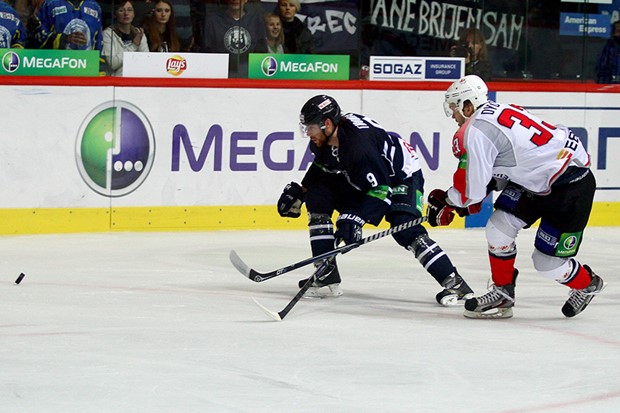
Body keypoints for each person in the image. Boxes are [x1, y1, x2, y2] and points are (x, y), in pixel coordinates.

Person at [429, 75, 606, 319]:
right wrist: (468, 198)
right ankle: (503, 294)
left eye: (455, 108)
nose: (453, 116)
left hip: (570, 185)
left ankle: (587, 284)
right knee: (498, 228)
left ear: (468, 105)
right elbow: (507, 165)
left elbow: (472, 191)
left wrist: (448, 201)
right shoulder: (501, 109)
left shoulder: (474, 130)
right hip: (538, 181)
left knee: (547, 264)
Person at [277, 95, 474, 304]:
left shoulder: (358, 146)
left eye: (311, 128)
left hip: (401, 176)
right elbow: (322, 167)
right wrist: (302, 190)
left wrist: (356, 218)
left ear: (326, 124)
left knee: (404, 227)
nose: (308, 133)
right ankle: (325, 273)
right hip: (371, 178)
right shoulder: (327, 140)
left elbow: (382, 191)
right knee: (317, 196)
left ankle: (456, 285)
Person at [200, 0, 267, 77]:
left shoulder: (256, 21)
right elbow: (206, 53)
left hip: (248, 77)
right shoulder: (213, 21)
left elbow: (261, 53)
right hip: (219, 76)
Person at [32, 0, 103, 50]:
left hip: (86, 65)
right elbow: (37, 37)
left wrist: (100, 69)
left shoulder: (95, 7)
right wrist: (62, 39)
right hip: (58, 64)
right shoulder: (50, 4)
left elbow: (99, 42)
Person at [102, 0, 148, 76]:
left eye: (129, 10)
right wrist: (134, 46)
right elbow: (113, 64)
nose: (126, 13)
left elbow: (147, 61)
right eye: (121, 10)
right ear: (115, 14)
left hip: (138, 77)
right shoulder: (108, 34)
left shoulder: (139, 33)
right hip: (115, 82)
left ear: (134, 14)